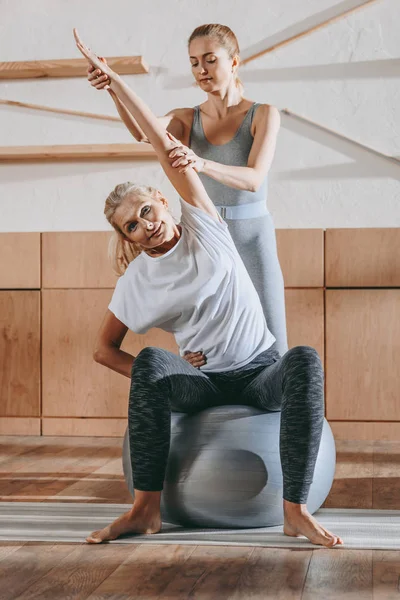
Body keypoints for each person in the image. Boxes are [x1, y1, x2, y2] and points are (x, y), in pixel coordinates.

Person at [74, 29, 343, 548]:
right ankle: (145, 510)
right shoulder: (140, 277)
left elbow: (230, 169)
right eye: (133, 225)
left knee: (299, 358)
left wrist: (196, 162)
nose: (146, 224)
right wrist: (111, 84)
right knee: (154, 361)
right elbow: (151, 133)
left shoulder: (206, 215)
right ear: (128, 237)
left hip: (251, 297)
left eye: (147, 210)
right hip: (205, 378)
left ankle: (294, 509)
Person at [87, 23, 288, 357]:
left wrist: (201, 163)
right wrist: (112, 87)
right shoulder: (186, 118)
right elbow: (143, 131)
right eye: (194, 62)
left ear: (234, 61)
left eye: (210, 59)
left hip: (252, 237)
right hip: (204, 238)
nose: (201, 70)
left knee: (274, 340)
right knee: (213, 337)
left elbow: (253, 179)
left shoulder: (264, 114)